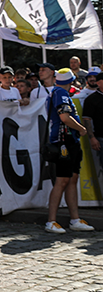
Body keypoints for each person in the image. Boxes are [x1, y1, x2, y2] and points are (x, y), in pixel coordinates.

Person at [44, 68, 94, 234]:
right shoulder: (60, 93)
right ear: (71, 81)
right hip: (63, 141)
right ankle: (51, 221)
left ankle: (75, 219)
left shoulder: (57, 92)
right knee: (62, 180)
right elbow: (65, 117)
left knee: (72, 179)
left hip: (69, 141)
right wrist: (81, 129)